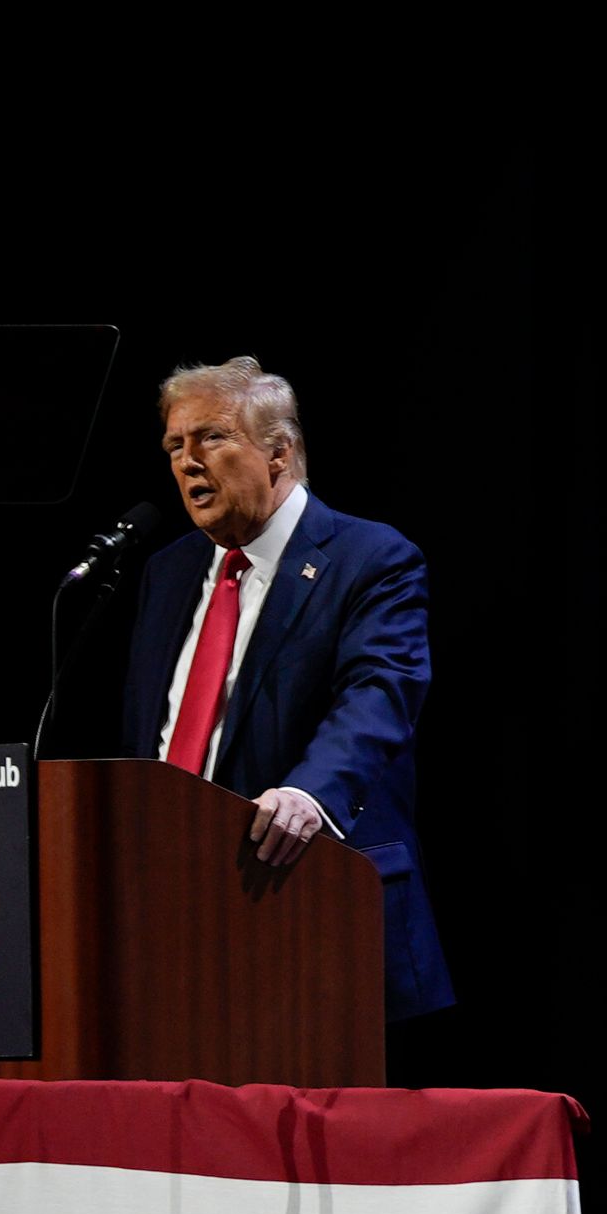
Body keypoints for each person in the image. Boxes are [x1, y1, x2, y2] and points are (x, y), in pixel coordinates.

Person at [121, 356, 454, 1024]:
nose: (188, 461)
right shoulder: (168, 571)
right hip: (178, 919)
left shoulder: (371, 559)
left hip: (314, 898)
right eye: (173, 446)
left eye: (211, 437)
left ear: (278, 453)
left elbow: (381, 692)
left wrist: (310, 793)